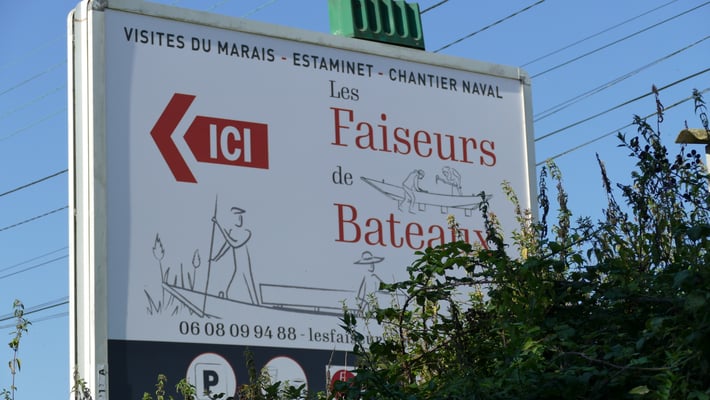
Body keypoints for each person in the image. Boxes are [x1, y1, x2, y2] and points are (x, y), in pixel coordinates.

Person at [210, 206, 259, 304]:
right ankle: (254, 304)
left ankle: (256, 305)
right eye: (236, 216)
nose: (239, 219)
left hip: (245, 268)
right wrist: (215, 258)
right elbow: (226, 246)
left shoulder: (246, 232)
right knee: (231, 291)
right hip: (238, 268)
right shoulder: (232, 232)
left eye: (240, 216)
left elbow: (234, 244)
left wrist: (219, 225)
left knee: (250, 288)